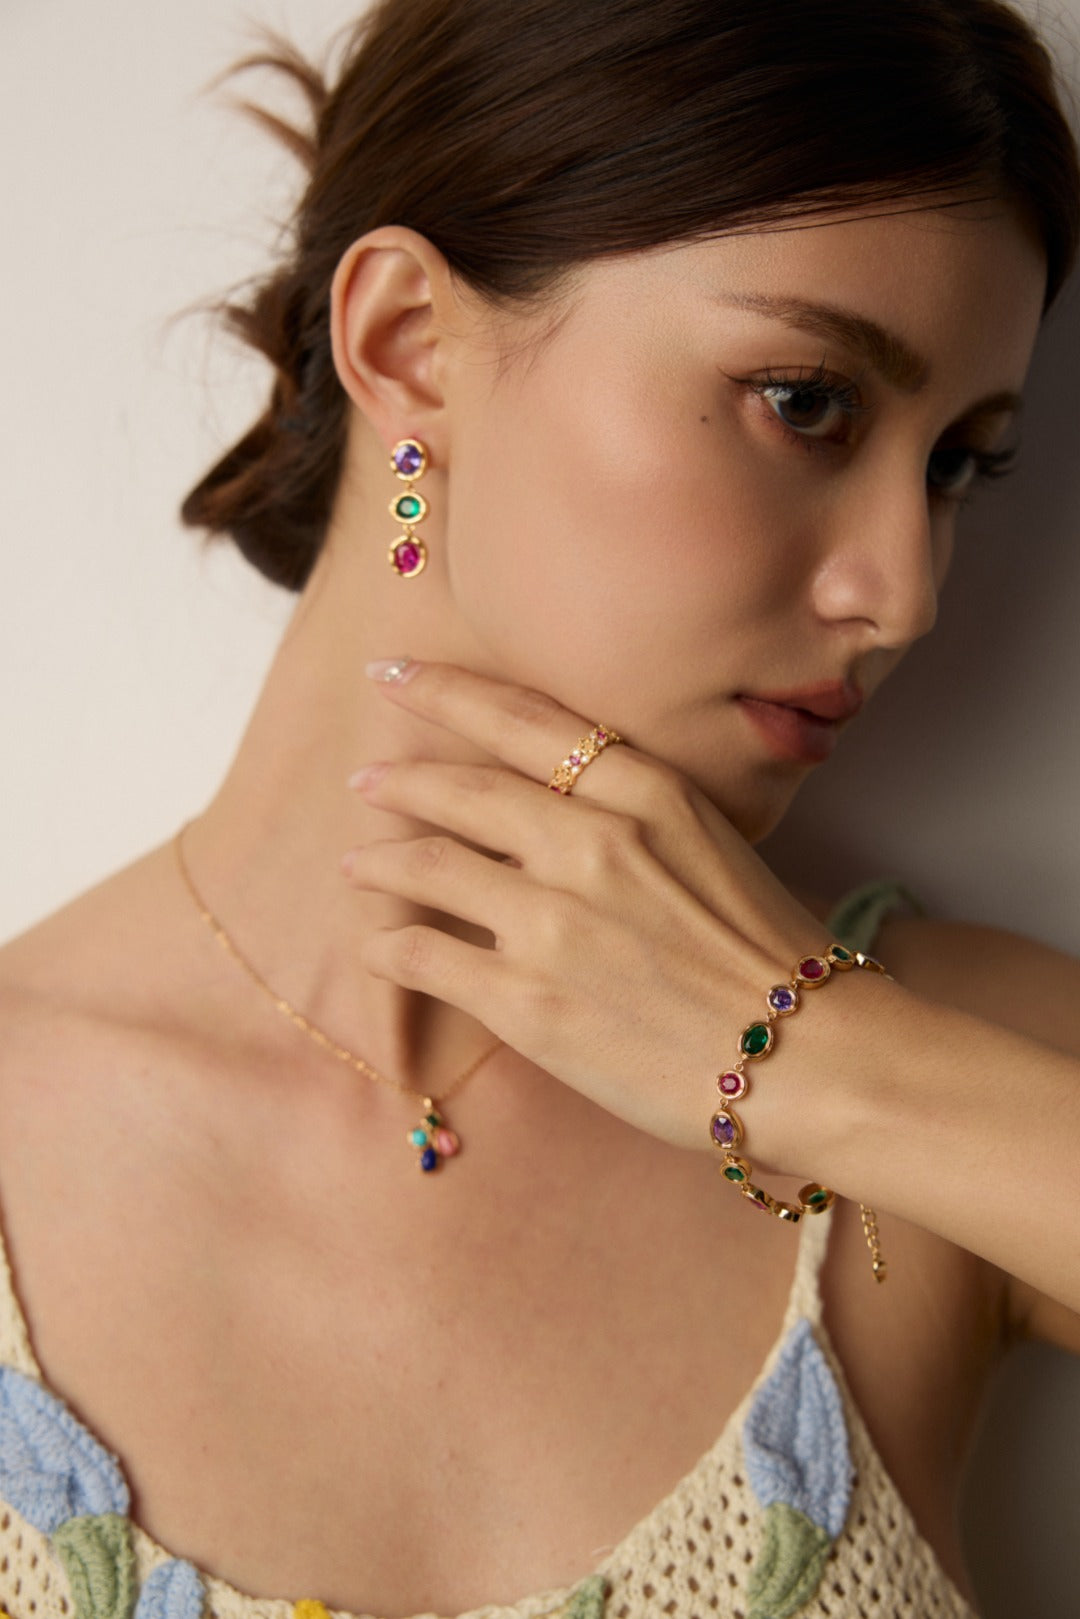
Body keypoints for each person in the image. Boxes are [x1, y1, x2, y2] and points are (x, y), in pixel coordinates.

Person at [0, 1, 1078, 1617]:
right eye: (806, 401)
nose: (902, 592)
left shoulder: (950, 1071)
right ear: (410, 345)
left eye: (956, 468)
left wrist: (818, 1066)